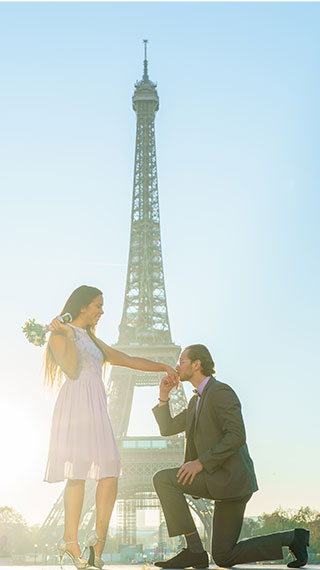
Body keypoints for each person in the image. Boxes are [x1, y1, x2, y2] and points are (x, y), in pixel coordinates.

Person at [43, 285, 178, 569]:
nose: (102, 311)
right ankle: (70, 539)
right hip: (77, 405)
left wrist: (163, 366)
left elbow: (128, 360)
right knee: (77, 472)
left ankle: (97, 544)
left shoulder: (94, 341)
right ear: (82, 307)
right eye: (98, 305)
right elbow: (69, 369)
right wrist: (66, 335)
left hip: (97, 408)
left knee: (111, 469)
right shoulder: (59, 333)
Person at [152, 344, 309, 569]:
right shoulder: (196, 400)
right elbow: (167, 428)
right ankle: (196, 550)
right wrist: (163, 396)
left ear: (196, 364)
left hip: (232, 481)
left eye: (182, 361)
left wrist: (200, 463)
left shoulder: (220, 392)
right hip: (217, 479)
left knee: (221, 555)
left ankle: (293, 539)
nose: (177, 366)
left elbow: (236, 435)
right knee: (223, 556)